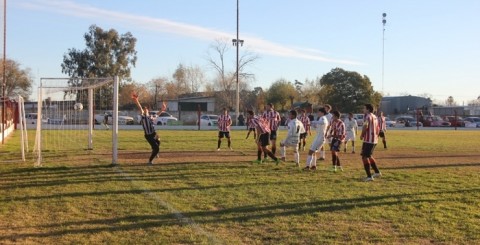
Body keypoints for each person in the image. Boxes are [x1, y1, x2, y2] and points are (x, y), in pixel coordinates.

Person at [132, 93, 160, 165]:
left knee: (158, 140)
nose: (144, 110)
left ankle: (155, 152)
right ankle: (150, 161)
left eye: (146, 109)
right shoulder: (143, 117)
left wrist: (162, 110)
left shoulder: (151, 116)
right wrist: (137, 101)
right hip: (148, 135)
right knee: (156, 148)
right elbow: (140, 108)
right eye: (144, 110)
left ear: (148, 110)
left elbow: (157, 115)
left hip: (153, 133)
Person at [360, 104, 382, 181]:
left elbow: (365, 126)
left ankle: (369, 176)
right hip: (373, 139)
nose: (363, 109)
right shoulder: (375, 116)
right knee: (369, 156)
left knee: (364, 157)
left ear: (368, 109)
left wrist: (362, 134)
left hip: (369, 140)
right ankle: (377, 172)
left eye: (364, 108)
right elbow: (378, 128)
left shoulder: (368, 116)